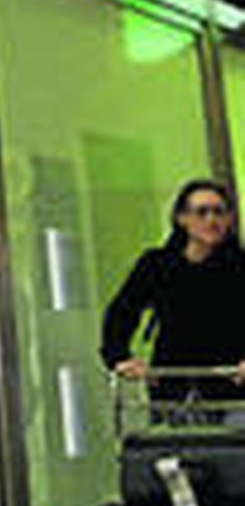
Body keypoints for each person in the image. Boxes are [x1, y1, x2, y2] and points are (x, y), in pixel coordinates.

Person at [100, 177, 245, 417]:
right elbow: (122, 311)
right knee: (174, 450)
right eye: (202, 212)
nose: (212, 220)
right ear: (182, 218)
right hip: (172, 387)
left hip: (233, 390)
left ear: (229, 219)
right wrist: (120, 357)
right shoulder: (157, 264)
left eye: (219, 212)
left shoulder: (240, 266)